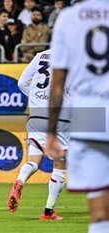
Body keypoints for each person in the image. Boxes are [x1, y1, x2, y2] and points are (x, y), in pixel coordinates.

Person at [45, 0, 109, 232]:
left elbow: (58, 83)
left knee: (100, 211)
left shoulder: (68, 18)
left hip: (89, 116)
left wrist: (51, 132)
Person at [7, 49, 70, 220]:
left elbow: (21, 83)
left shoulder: (40, 55)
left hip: (35, 115)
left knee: (34, 160)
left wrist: (37, 99)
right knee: (60, 164)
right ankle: (48, 212)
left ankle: (20, 180)